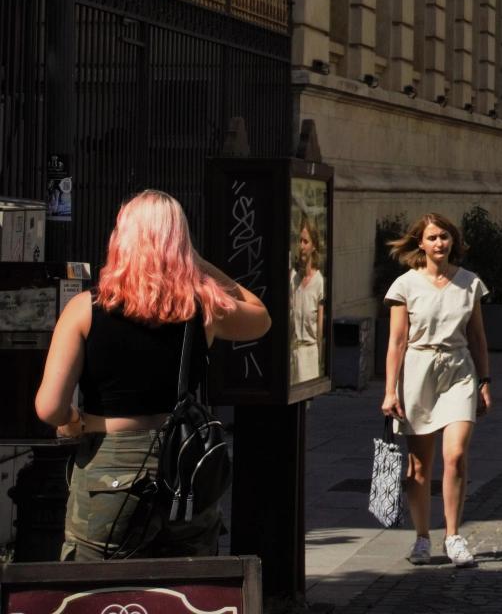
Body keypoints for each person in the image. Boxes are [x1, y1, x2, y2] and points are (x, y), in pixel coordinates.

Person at [34, 190, 271, 560]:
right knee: (184, 588)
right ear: (180, 245)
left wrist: (75, 422)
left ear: (120, 239)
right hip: (183, 466)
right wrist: (198, 264)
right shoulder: (201, 309)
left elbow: (50, 408)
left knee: (97, 591)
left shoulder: (83, 310)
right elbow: (260, 316)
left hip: (107, 467)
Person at [381, 212, 492, 569]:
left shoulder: (470, 283)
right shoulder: (405, 285)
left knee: (455, 455)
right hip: (417, 371)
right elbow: (396, 342)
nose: (439, 243)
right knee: (418, 467)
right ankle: (422, 537)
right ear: (421, 244)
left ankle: (454, 536)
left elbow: (477, 336)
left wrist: (485, 380)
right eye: (432, 238)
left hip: (459, 370)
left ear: (453, 241)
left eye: (444, 236)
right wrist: (389, 391)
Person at [290, 213, 326, 383]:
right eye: (300, 241)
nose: (301, 246)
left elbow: (319, 326)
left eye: (306, 242)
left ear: (313, 246)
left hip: (309, 353)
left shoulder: (319, 282)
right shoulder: (294, 279)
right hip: (293, 354)